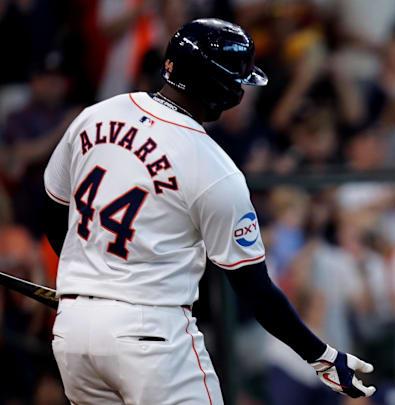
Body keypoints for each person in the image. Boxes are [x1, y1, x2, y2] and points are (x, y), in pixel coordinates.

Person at [42, 18, 375, 404]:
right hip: (151, 338)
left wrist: (90, 287)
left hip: (72, 333)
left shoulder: (95, 115)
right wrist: (321, 356)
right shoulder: (214, 167)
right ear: (221, 90)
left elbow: (53, 214)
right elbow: (255, 290)